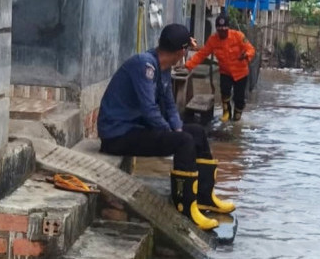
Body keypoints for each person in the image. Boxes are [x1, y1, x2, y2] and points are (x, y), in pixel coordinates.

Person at [97, 24, 235, 231]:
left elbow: (169, 105)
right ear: (181, 51)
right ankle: (186, 206)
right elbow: (149, 109)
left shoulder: (163, 69)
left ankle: (204, 196)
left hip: (136, 128)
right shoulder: (145, 65)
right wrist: (170, 132)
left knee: (195, 132)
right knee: (184, 142)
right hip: (117, 135)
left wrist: (177, 128)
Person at [186, 14, 256, 122]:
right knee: (225, 91)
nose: (222, 32)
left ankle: (237, 115)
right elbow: (202, 54)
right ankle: (226, 112)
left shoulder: (238, 36)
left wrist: (247, 55)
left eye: (224, 29)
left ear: (228, 28)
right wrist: (188, 66)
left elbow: (250, 49)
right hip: (225, 72)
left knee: (239, 98)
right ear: (217, 29)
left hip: (241, 72)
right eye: (219, 29)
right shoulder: (213, 40)